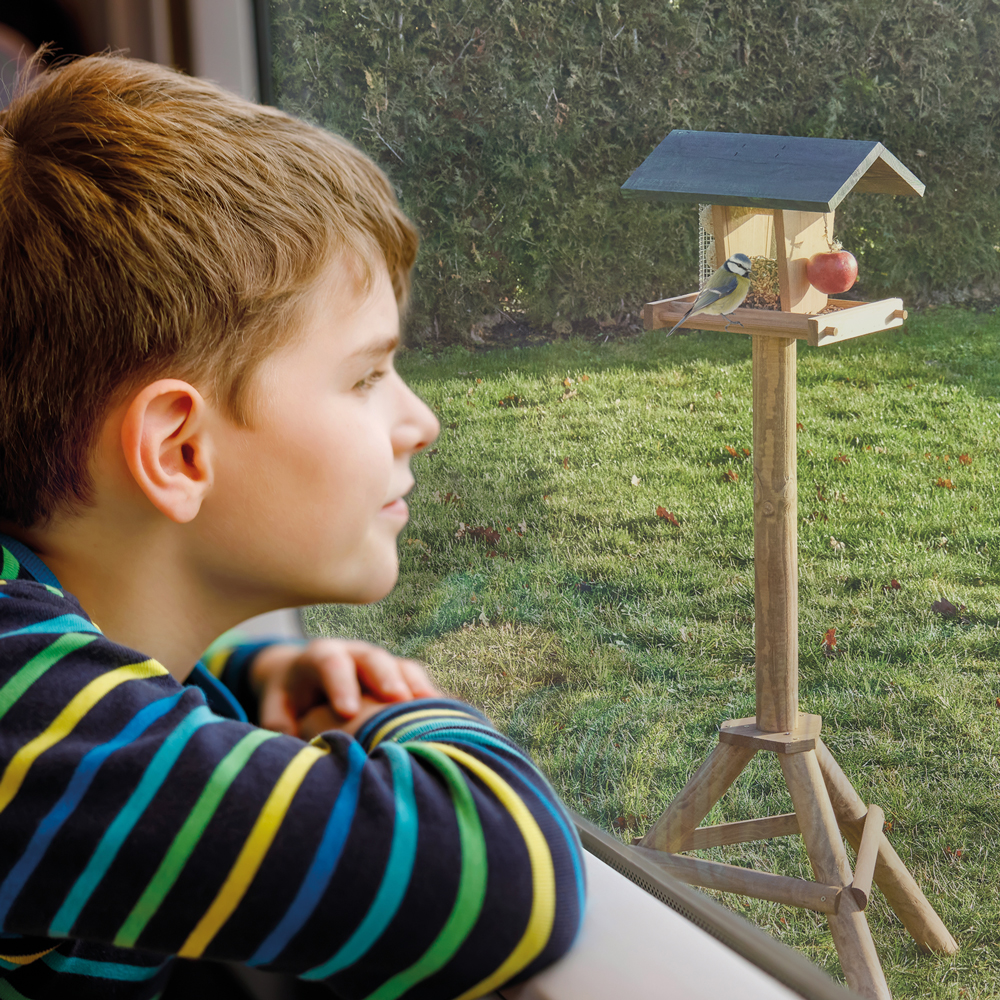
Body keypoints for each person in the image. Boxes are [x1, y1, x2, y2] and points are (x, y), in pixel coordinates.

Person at [0, 53, 585, 1000]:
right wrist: (405, 713)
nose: (420, 422)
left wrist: (243, 682)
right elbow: (499, 879)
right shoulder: (22, 729)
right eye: (364, 377)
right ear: (181, 451)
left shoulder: (45, 703)